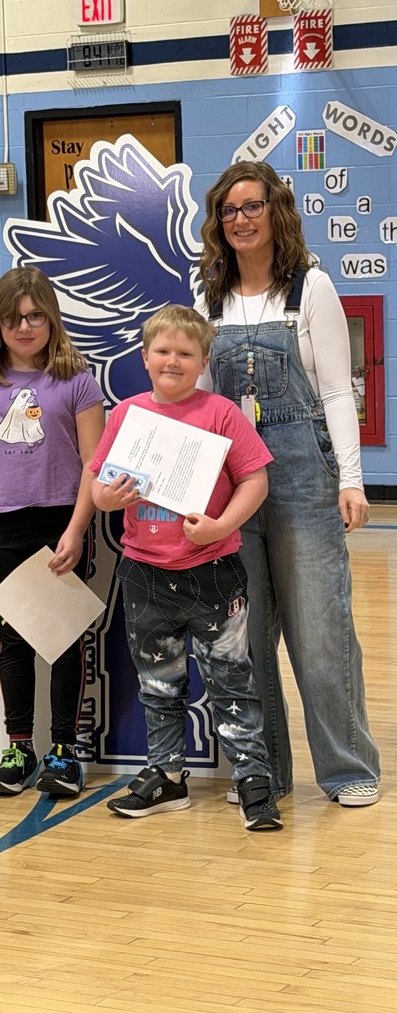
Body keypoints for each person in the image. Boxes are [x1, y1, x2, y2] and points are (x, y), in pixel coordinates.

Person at [197, 160, 380, 807]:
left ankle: (347, 766)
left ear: (277, 213)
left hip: (304, 475)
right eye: (228, 210)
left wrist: (351, 482)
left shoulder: (312, 288)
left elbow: (335, 391)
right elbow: (196, 397)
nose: (240, 219)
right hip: (228, 480)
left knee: (320, 626)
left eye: (252, 207)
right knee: (241, 635)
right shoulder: (208, 297)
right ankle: (261, 769)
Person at [91, 304, 283, 831]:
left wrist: (221, 527)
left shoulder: (222, 413)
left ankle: (253, 780)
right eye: (163, 351)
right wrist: (106, 497)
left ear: (202, 362)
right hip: (144, 574)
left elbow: (255, 482)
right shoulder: (126, 414)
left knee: (232, 681)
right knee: (158, 683)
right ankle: (166, 777)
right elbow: (97, 488)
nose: (172, 360)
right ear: (145, 356)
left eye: (185, 353)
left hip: (213, 572)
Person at [0, 266, 105, 797]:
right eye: (13, 319)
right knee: (13, 641)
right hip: (1, 525)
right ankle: (19, 748)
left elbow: (94, 463)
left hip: (60, 523)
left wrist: (78, 529)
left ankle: (63, 751)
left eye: (35, 316)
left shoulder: (77, 382)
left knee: (63, 641)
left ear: (51, 320)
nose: (24, 327)